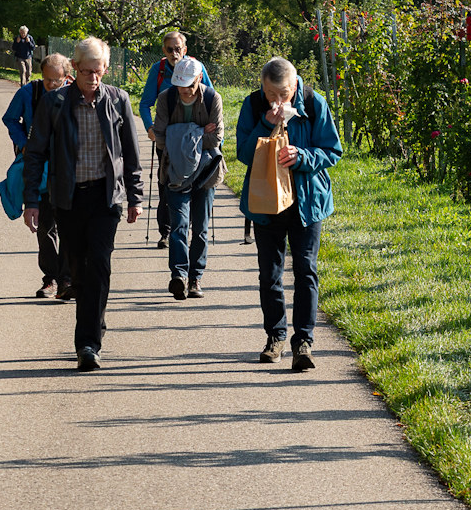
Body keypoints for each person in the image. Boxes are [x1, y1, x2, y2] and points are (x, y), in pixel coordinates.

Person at [23, 37, 143, 372]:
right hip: (68, 199)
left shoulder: (118, 100)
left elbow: (131, 153)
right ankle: (94, 321)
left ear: (105, 69)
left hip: (106, 199)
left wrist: (135, 196)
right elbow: (35, 154)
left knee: (100, 266)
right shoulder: (55, 103)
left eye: (99, 71)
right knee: (78, 271)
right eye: (87, 71)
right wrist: (31, 200)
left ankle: (87, 344)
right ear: (74, 68)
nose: (93, 77)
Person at [236, 57, 341, 372]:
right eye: (272, 95)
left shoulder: (313, 102)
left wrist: (303, 156)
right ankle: (275, 337)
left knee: (306, 271)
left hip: (307, 204)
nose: (278, 102)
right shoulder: (254, 105)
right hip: (266, 205)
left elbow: (333, 151)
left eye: (284, 95)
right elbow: (242, 152)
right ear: (263, 88)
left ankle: (304, 341)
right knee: (270, 274)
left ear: (295, 86)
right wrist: (266, 123)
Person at [151, 56, 225, 301]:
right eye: (180, 86)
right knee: (179, 226)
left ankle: (196, 278)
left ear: (199, 78)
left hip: (205, 172)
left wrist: (179, 135)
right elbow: (159, 138)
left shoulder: (213, 98)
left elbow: (216, 140)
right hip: (174, 171)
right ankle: (179, 276)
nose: (184, 91)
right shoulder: (166, 98)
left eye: (189, 86)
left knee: (201, 229)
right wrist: (197, 132)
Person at [1, 52, 72, 299]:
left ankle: (67, 279)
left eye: (57, 80)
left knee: (68, 226)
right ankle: (51, 279)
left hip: (67, 169)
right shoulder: (28, 92)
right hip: (38, 167)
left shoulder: (75, 94)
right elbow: (10, 118)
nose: (52, 84)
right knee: (45, 225)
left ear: (67, 76)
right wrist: (23, 143)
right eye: (48, 79)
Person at [138, 32, 217, 248]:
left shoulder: (197, 68)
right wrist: (150, 127)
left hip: (195, 142)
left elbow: (210, 96)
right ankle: (166, 232)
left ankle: (185, 227)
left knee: (196, 183)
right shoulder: (159, 70)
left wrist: (210, 126)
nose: (175, 53)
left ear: (185, 49)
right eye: (170, 49)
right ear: (164, 51)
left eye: (178, 48)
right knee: (166, 185)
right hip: (168, 140)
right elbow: (145, 103)